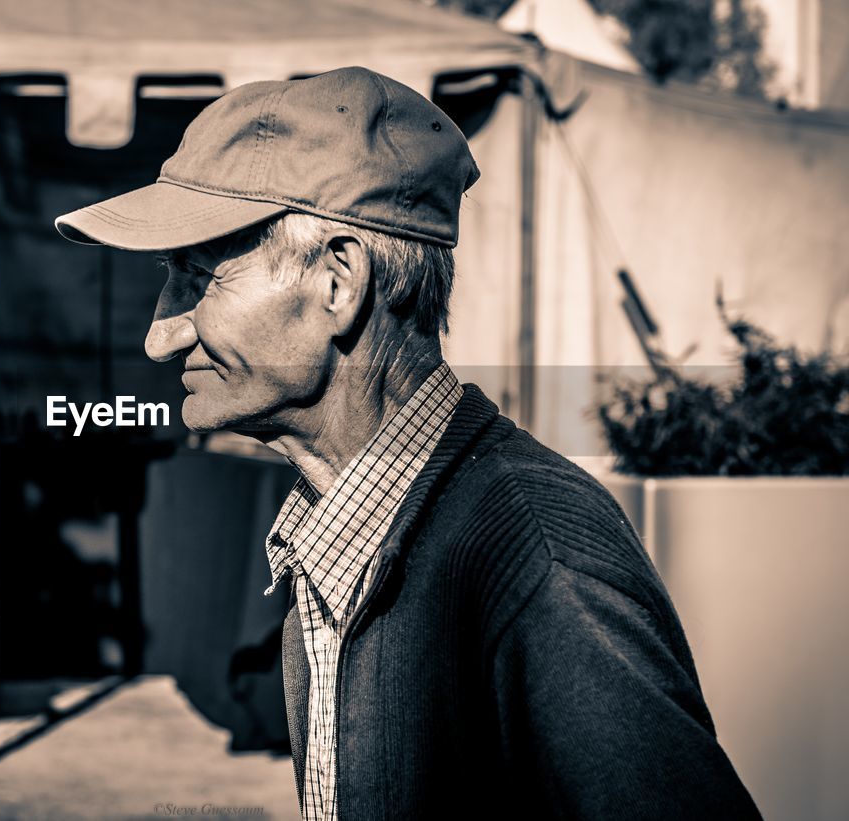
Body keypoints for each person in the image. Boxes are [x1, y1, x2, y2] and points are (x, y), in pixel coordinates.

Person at [56, 67, 760, 819]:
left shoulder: (542, 558)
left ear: (339, 282)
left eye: (200, 278)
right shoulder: (330, 531)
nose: (160, 335)